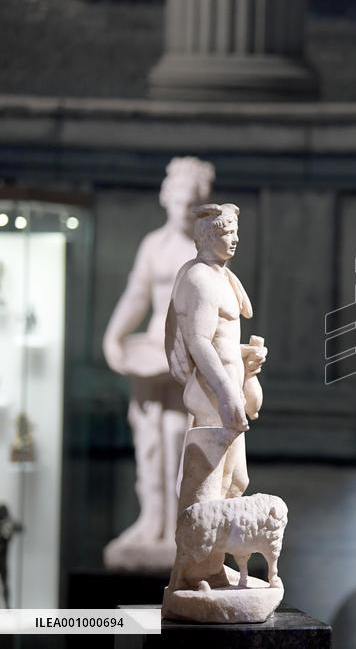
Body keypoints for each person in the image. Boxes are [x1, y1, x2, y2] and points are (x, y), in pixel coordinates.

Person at [102, 156, 214, 568]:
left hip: (189, 351)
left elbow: (215, 305)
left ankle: (177, 528)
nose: (183, 210)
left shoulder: (206, 249)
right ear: (166, 198)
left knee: (179, 440)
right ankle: (150, 520)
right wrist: (113, 335)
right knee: (149, 441)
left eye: (191, 203)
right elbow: (136, 294)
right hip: (153, 349)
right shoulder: (154, 244)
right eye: (178, 201)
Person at [166, 203, 266, 516]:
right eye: (226, 233)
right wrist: (225, 394)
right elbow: (198, 341)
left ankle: (209, 561)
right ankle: (196, 562)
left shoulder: (222, 276)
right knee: (207, 486)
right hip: (212, 391)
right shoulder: (200, 279)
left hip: (226, 386)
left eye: (236, 232)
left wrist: (245, 359)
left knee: (235, 482)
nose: (234, 239)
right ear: (207, 238)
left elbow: (221, 341)